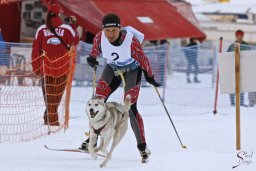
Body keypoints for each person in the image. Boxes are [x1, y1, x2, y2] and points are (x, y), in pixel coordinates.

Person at [80, 13, 160, 162]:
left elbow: (143, 59)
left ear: (120, 29)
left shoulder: (130, 41)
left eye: (113, 31)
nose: (110, 34)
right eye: (107, 31)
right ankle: (92, 140)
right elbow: (94, 52)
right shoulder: (99, 37)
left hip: (132, 71)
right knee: (97, 102)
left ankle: (142, 147)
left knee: (130, 108)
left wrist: (150, 76)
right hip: (113, 69)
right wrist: (92, 59)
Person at [31, 4, 79, 126]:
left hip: (46, 67)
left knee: (49, 96)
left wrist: (36, 68)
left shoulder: (41, 29)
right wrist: (73, 25)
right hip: (63, 67)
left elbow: (35, 50)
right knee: (56, 96)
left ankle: (49, 117)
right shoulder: (67, 29)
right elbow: (75, 41)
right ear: (59, 14)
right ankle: (53, 121)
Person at [227, 29, 250, 107]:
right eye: (238, 35)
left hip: (243, 69)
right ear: (236, 36)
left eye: (241, 36)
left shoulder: (246, 45)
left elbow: (249, 55)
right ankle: (232, 102)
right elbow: (227, 56)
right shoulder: (231, 46)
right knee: (232, 85)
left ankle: (241, 102)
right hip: (232, 69)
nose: (240, 37)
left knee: (242, 85)